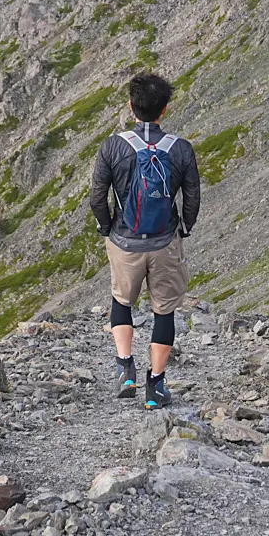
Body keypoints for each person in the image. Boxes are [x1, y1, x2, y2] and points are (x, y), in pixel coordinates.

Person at [89, 71, 201, 409]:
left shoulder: (113, 146)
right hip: (165, 241)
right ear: (165, 110)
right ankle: (156, 386)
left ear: (130, 106)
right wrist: (184, 228)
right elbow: (192, 198)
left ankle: (126, 368)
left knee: (122, 301)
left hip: (124, 241)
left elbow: (98, 196)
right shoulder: (180, 148)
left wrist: (107, 227)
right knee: (163, 311)